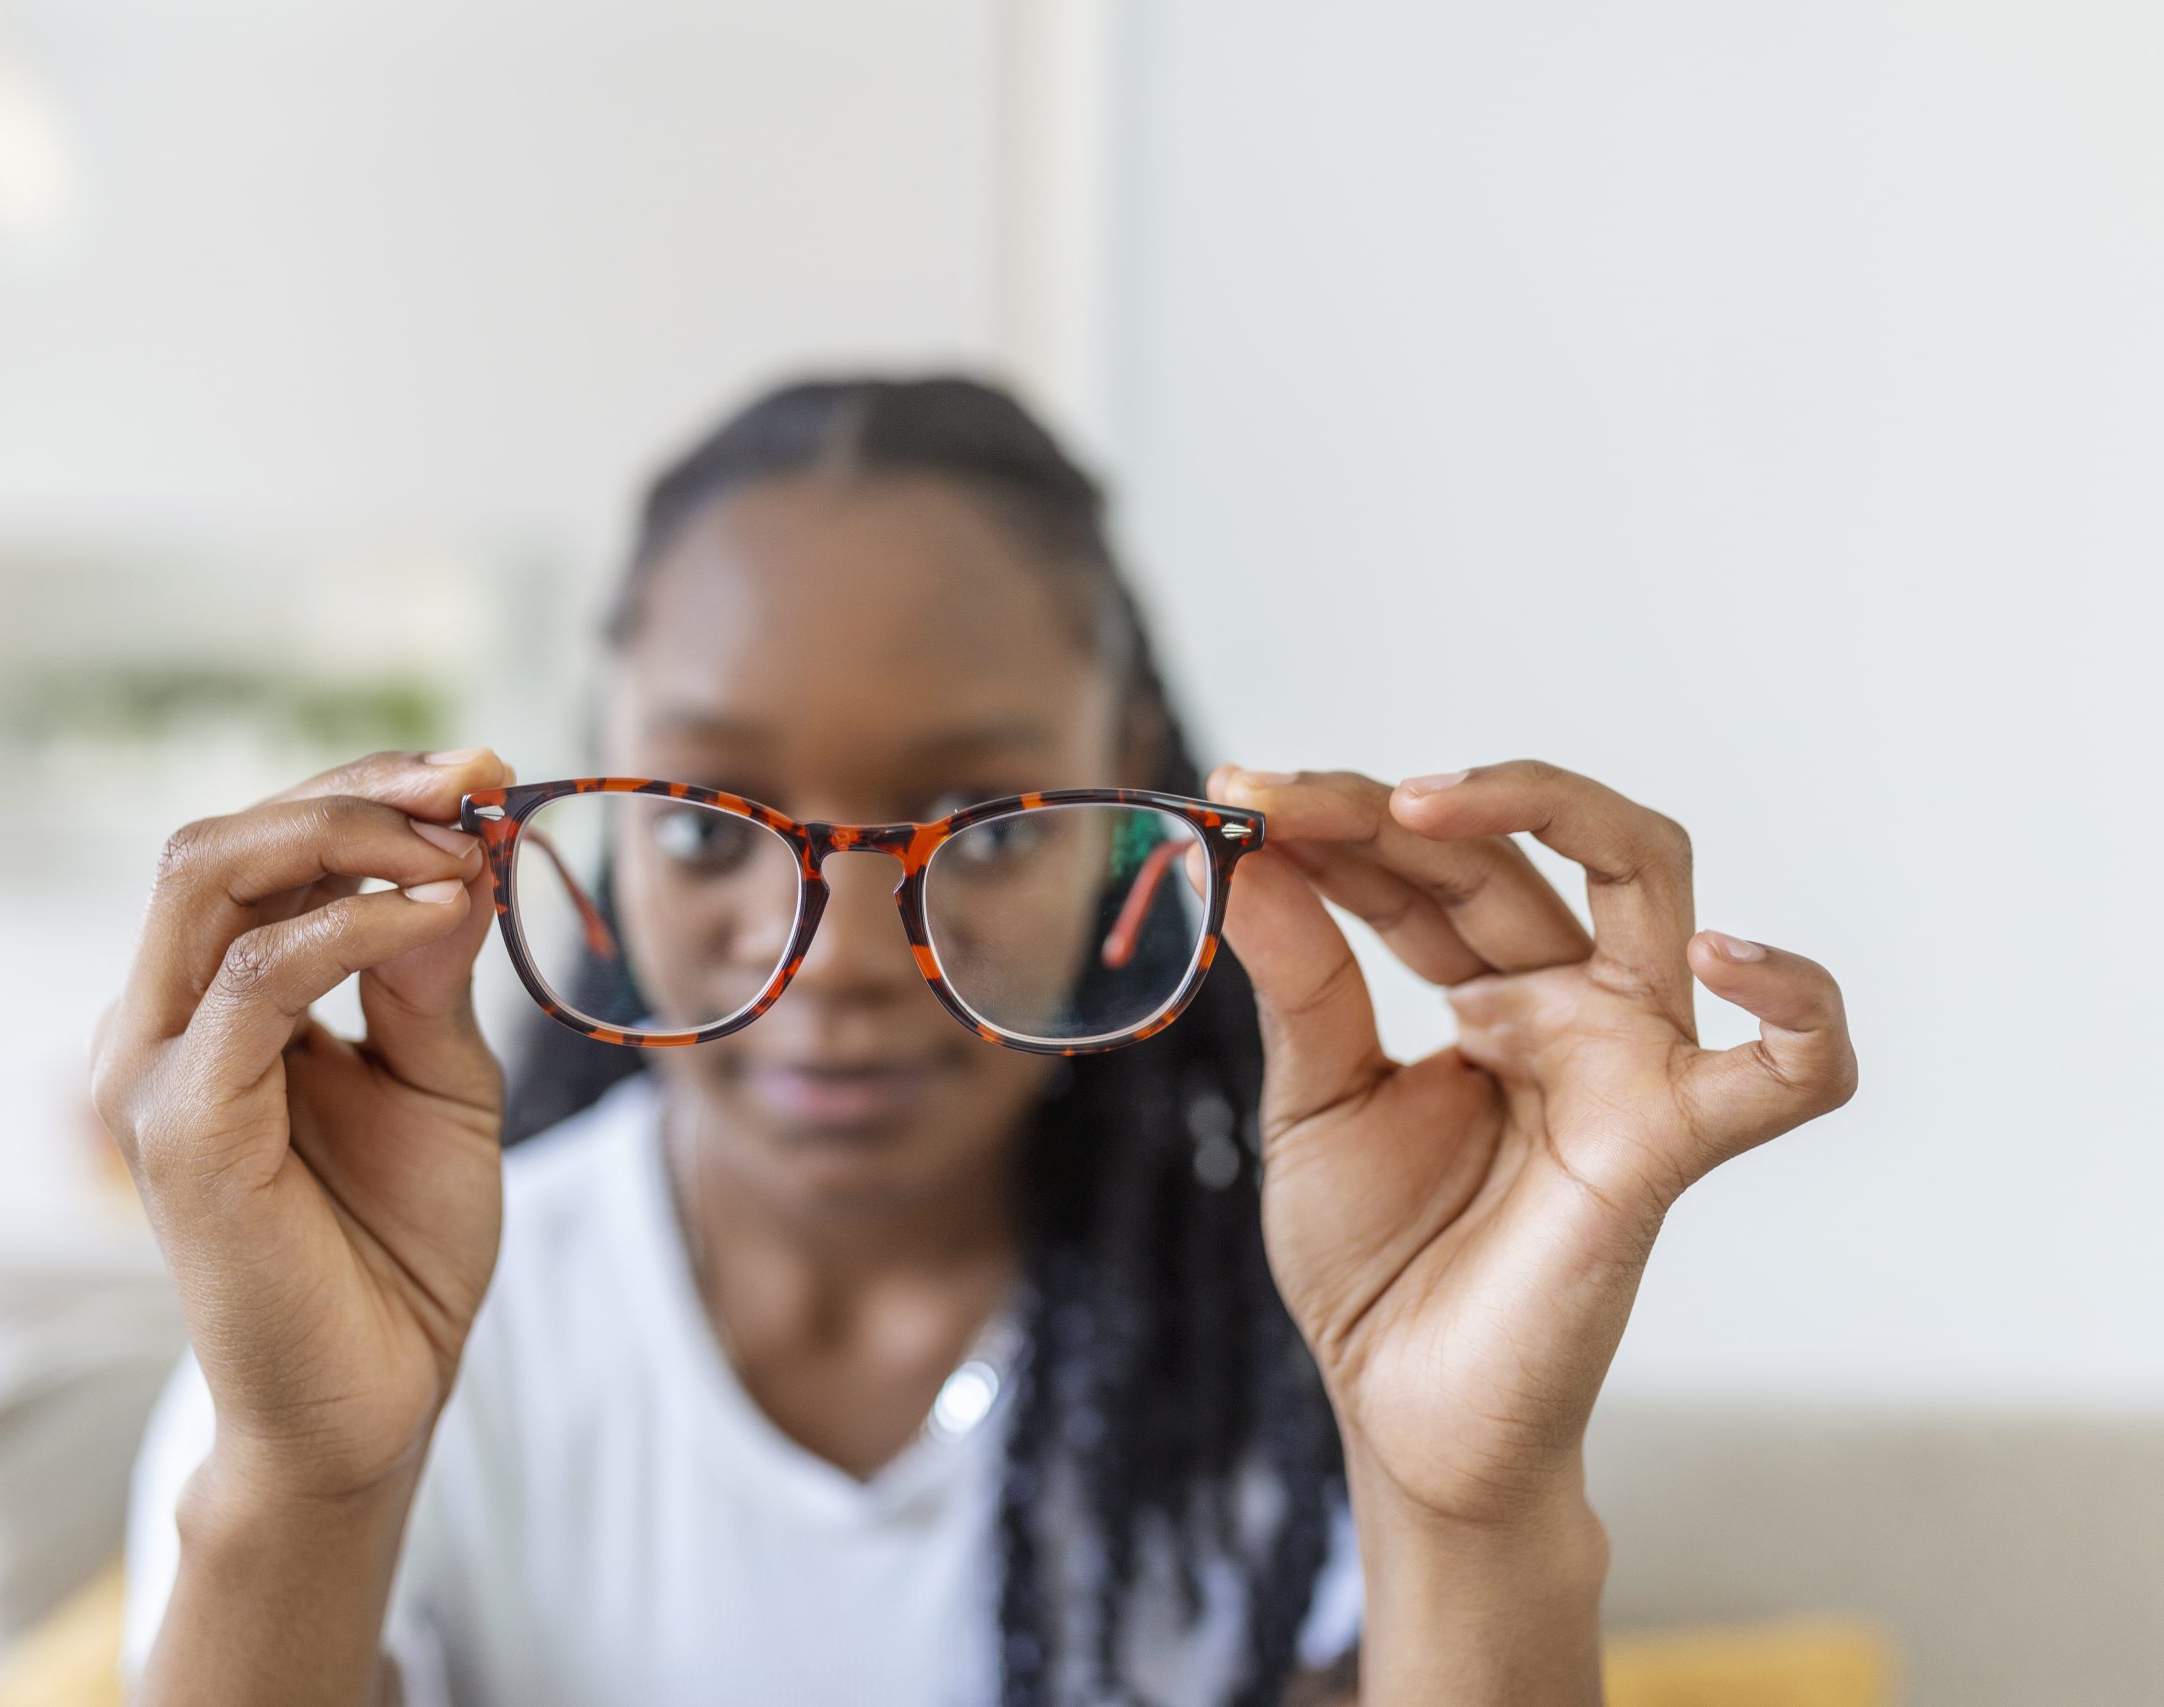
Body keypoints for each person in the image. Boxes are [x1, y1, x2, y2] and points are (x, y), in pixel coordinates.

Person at [97, 376, 1857, 1707]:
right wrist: (309, 1474)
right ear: (595, 815)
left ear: (1135, 804)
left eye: (991, 821)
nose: (846, 959)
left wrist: (1467, 1508)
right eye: (710, 821)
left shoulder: (1303, 1342)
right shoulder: (366, 1354)